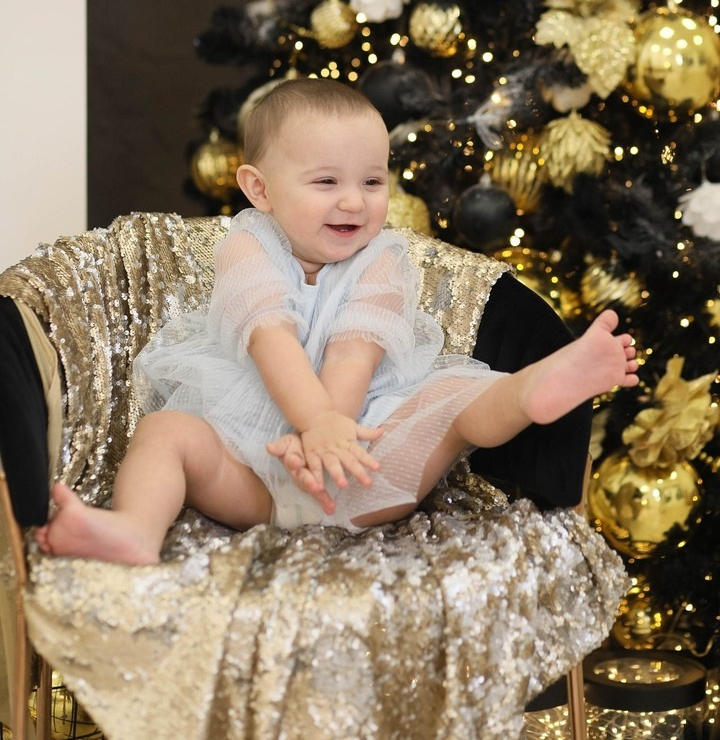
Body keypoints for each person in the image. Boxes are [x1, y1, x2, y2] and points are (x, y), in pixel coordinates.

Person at [36, 78, 638, 564]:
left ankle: (534, 388)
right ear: (259, 189)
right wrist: (314, 425)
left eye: (372, 181)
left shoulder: (384, 260)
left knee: (456, 396)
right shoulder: (246, 247)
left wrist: (332, 434)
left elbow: (355, 352)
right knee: (166, 432)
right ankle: (135, 529)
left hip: (366, 467)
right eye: (326, 182)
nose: (354, 200)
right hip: (252, 475)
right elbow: (270, 337)